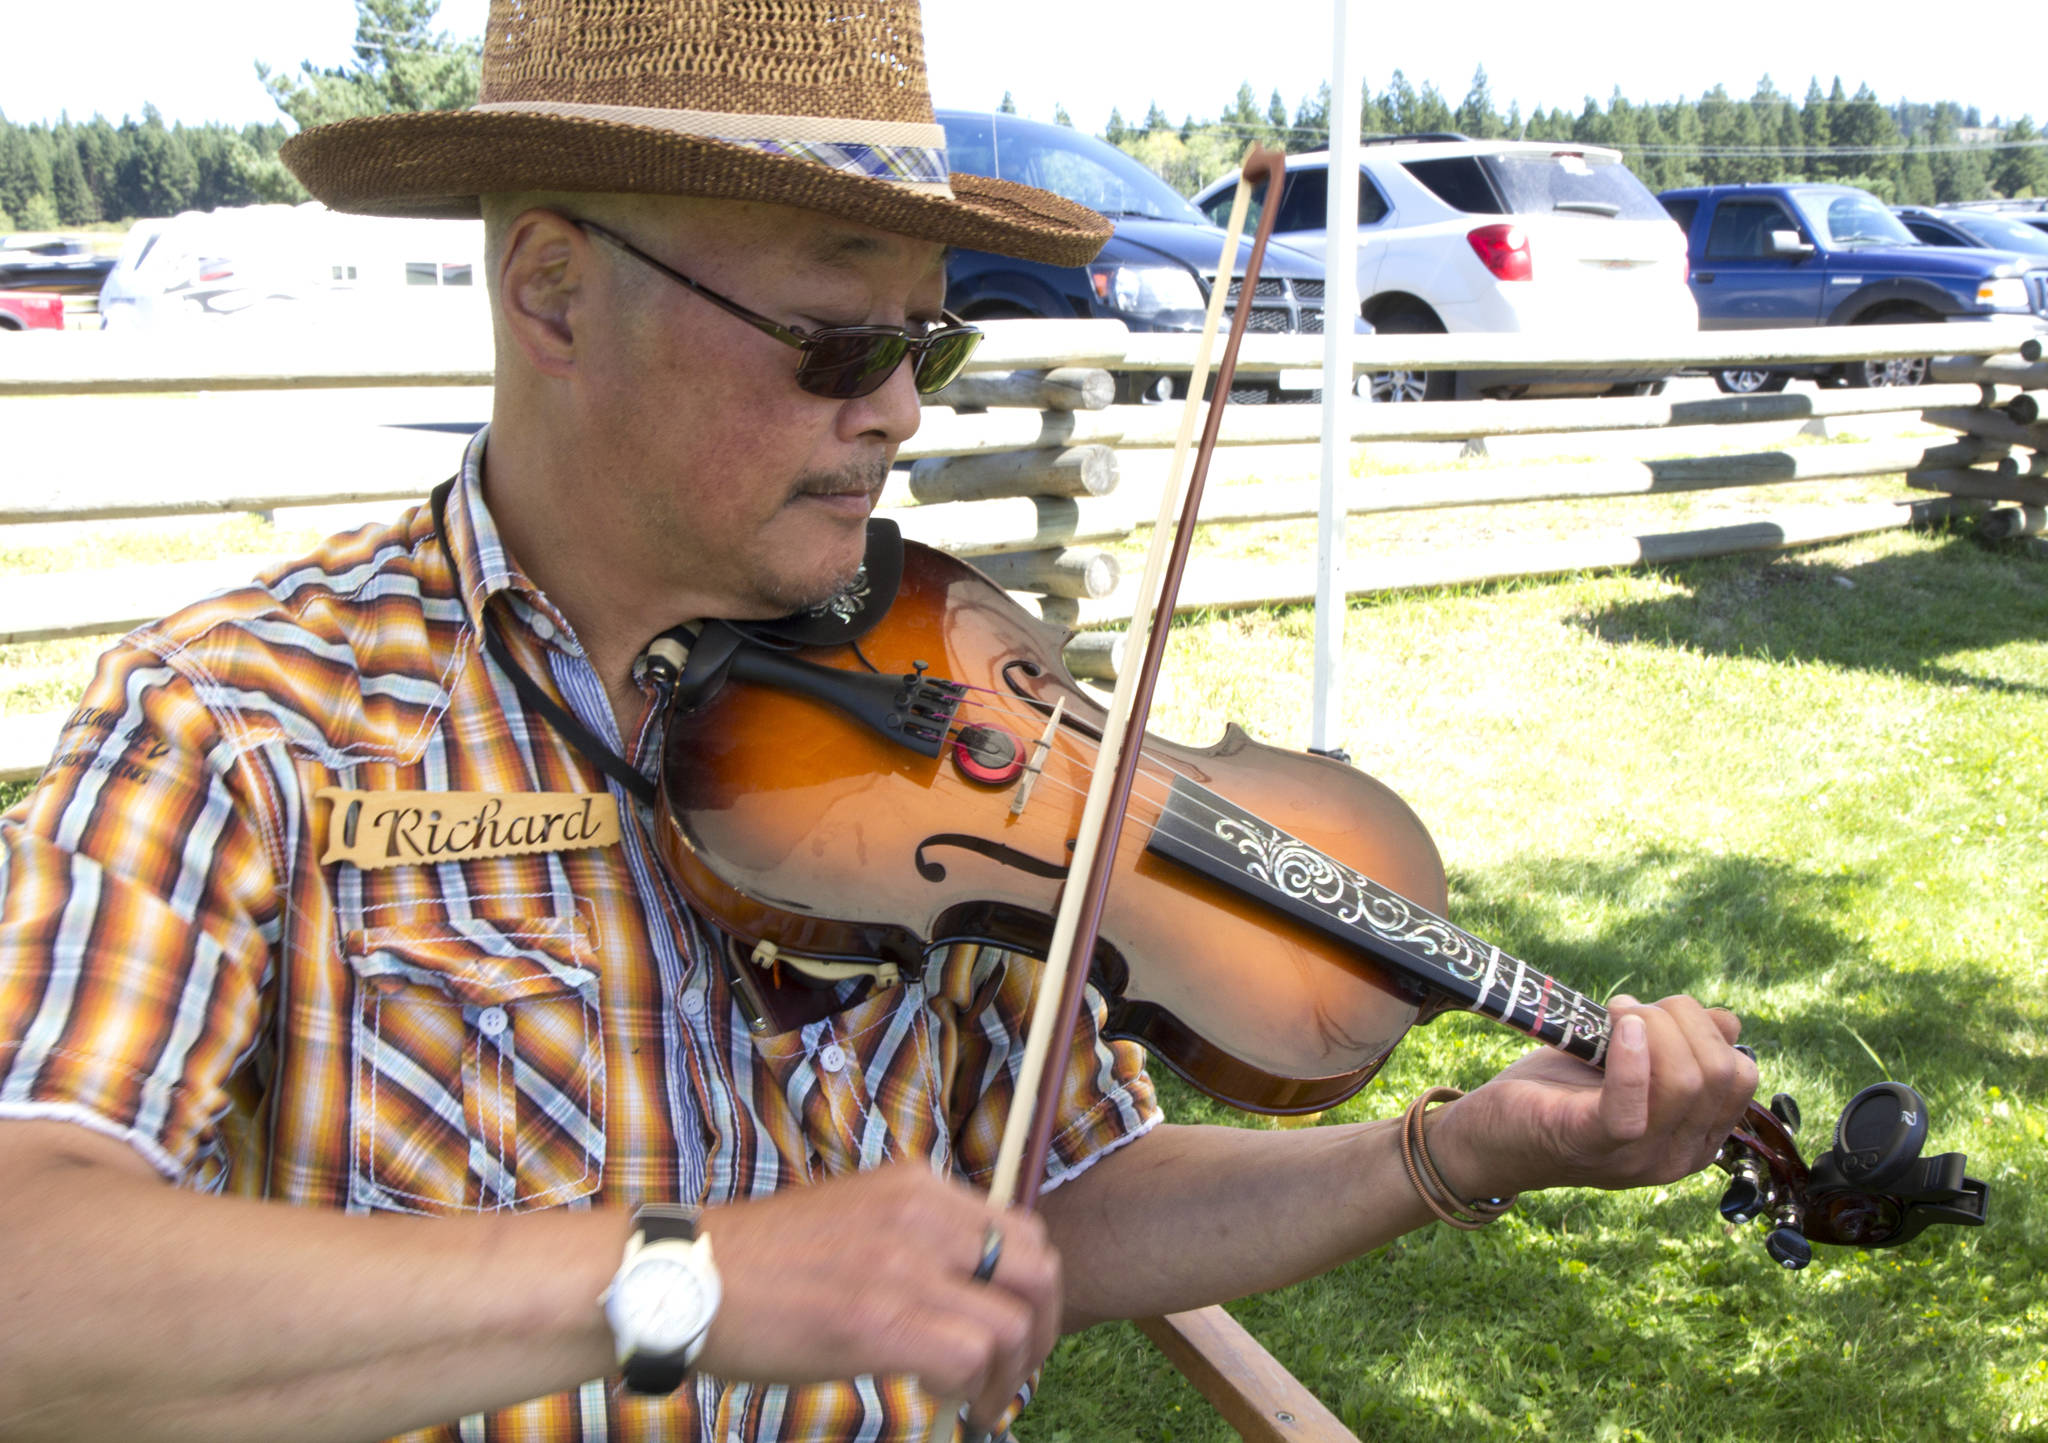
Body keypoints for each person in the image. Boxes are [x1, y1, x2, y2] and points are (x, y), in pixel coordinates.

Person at [0, 3, 1759, 1440]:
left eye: (933, 343)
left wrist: (1455, 1150)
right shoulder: (245, 718)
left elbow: (1068, 1189)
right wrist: (673, 1281)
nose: (903, 412)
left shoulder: (939, 690)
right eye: (839, 342)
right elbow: (33, 1289)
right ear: (551, 292)